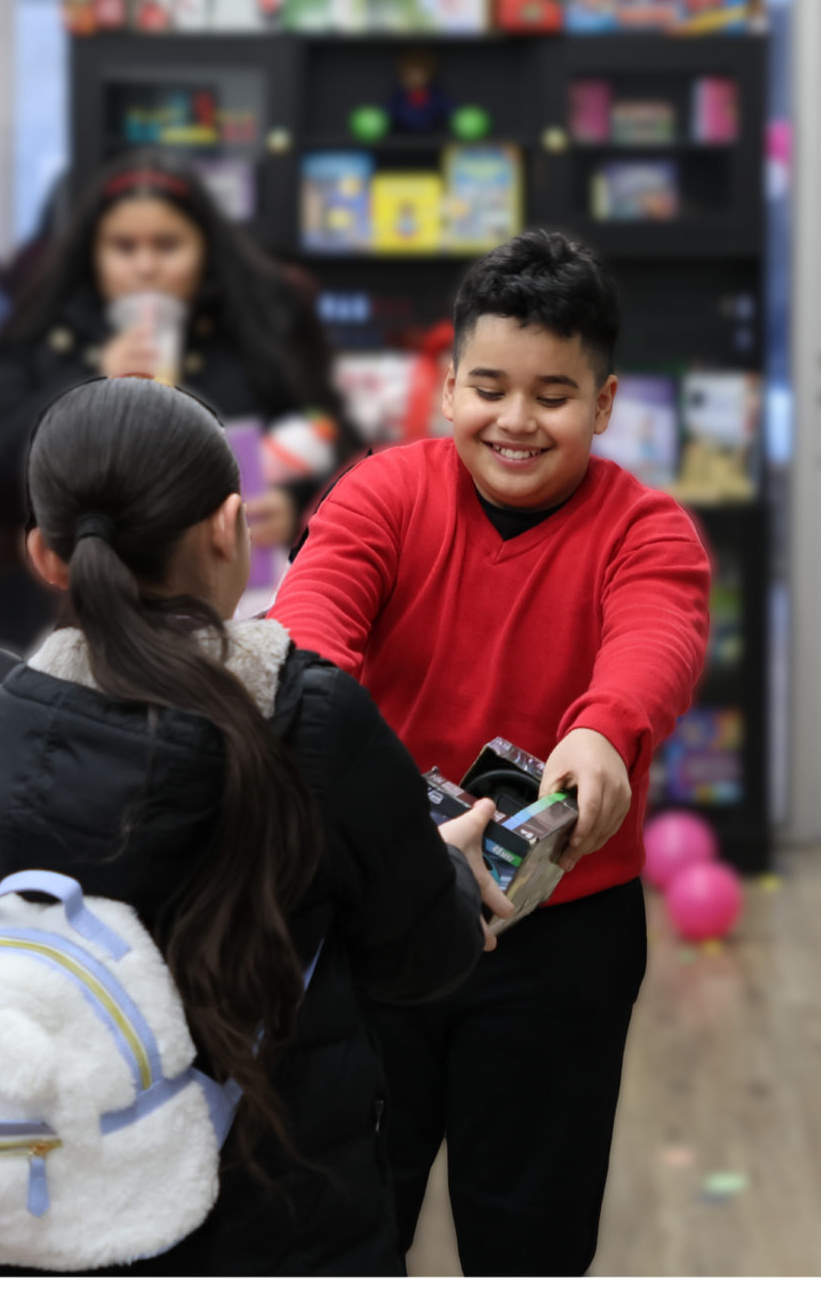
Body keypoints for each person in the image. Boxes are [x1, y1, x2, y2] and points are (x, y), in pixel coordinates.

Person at [0, 376, 499, 1274]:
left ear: (44, 554)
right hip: (276, 1203)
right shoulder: (309, 713)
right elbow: (425, 958)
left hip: (70, 1192)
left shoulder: (11, 718)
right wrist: (448, 867)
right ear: (230, 528)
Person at [268, 230, 711, 1277]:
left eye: (553, 394)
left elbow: (655, 636)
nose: (515, 421)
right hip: (377, 913)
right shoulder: (382, 491)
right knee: (343, 1217)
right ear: (447, 385)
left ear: (603, 404)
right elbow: (309, 629)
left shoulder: (649, 529)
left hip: (558, 938)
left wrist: (601, 728)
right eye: (489, 387)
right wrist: (321, 722)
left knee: (532, 1236)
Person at [0, 154, 354, 558]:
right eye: (123, 248)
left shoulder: (252, 327)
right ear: (94, 255)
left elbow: (333, 441)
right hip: (83, 588)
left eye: (168, 246)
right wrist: (89, 381)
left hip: (239, 583)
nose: (145, 268)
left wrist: (298, 502)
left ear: (205, 251)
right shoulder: (54, 333)